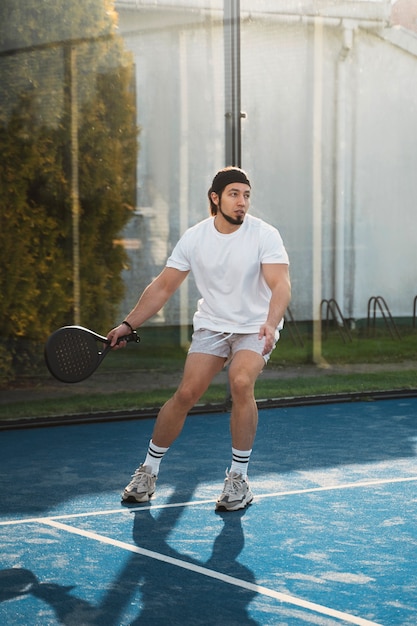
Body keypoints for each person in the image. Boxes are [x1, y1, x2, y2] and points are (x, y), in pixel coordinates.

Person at [107, 166, 291, 511]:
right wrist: (128, 325)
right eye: (234, 194)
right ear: (215, 198)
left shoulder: (264, 234)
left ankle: (238, 480)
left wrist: (270, 321)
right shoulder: (195, 238)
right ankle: (148, 472)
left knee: (240, 382)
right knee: (187, 393)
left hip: (255, 327)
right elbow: (162, 286)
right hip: (212, 325)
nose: (242, 202)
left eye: (246, 195)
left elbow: (280, 284)